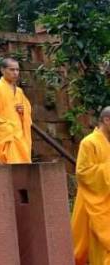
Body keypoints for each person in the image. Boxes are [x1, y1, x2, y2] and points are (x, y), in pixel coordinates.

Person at [71, 106, 110, 265]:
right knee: (100, 246)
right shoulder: (89, 143)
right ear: (106, 121)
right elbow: (83, 172)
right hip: (95, 204)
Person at [0, 57, 32, 163]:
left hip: (19, 134)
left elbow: (27, 111)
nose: (15, 73)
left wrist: (23, 111)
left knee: (23, 163)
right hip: (6, 134)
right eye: (12, 70)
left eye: (17, 70)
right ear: (2, 70)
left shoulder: (19, 91)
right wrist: (6, 126)